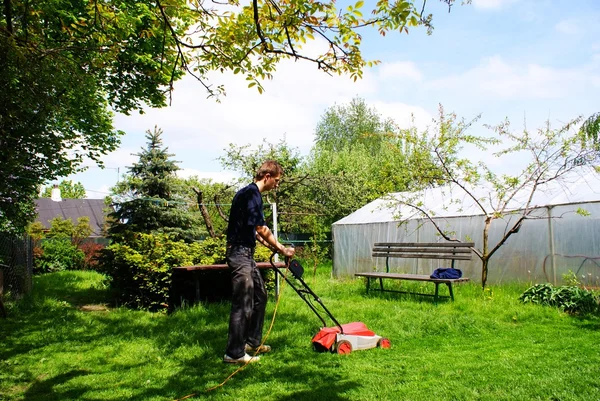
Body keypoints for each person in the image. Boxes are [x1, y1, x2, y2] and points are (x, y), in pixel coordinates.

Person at [223, 160, 296, 364]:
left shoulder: (248, 194)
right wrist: (281, 249)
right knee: (243, 302)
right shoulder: (252, 194)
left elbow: (256, 232)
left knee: (260, 297)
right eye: (277, 180)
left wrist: (274, 247)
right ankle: (234, 353)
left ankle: (252, 342)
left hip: (245, 253)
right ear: (267, 177)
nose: (277, 184)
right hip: (239, 254)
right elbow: (262, 229)